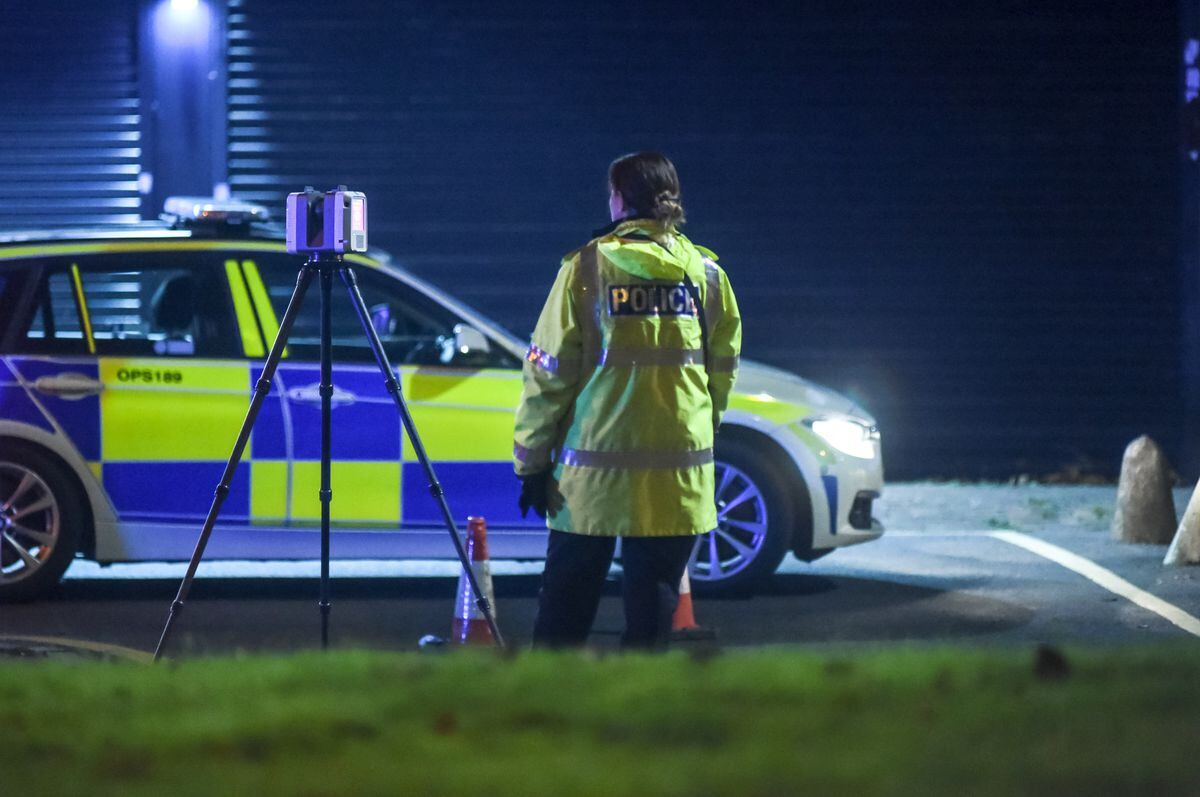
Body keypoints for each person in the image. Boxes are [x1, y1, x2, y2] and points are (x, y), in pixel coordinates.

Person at [513, 151, 742, 650]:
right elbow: (719, 377)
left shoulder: (586, 270)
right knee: (651, 622)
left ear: (619, 199)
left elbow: (548, 374)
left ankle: (544, 712)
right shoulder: (707, 277)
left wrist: (530, 463)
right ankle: (638, 717)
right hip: (676, 481)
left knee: (564, 615)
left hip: (591, 480)